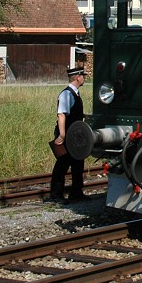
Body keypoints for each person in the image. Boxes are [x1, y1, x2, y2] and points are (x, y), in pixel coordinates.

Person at [49, 65, 87, 202]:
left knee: (78, 163)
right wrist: (62, 135)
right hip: (67, 134)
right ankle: (56, 195)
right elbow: (61, 115)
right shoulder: (66, 94)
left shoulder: (74, 93)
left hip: (75, 135)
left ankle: (76, 192)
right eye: (83, 76)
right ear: (77, 77)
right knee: (63, 164)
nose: (84, 78)